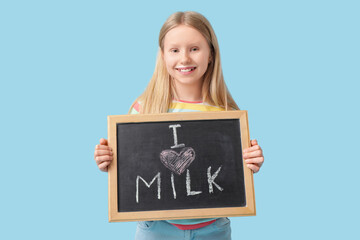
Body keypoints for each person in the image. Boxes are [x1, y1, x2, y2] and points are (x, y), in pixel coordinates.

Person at [94, 11, 264, 240]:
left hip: (214, 229)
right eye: (174, 50)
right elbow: (129, 168)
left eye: (194, 49)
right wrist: (109, 161)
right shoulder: (143, 110)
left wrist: (250, 162)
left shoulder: (227, 115)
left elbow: (234, 173)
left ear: (211, 54)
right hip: (156, 229)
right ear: (163, 56)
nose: (184, 58)